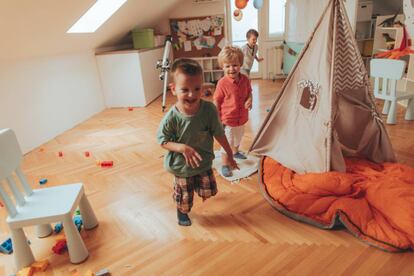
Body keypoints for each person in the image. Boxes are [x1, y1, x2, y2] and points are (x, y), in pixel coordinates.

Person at [157, 58, 238, 227]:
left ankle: (192, 189)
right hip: (181, 166)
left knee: (207, 190)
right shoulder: (172, 117)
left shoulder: (209, 110)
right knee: (185, 196)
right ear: (173, 89)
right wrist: (182, 148)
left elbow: (219, 134)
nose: (192, 95)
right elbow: (162, 141)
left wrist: (230, 154)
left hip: (203, 161)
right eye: (184, 89)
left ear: (203, 87)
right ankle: (182, 211)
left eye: (197, 88)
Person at [214, 46, 252, 177]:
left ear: (240, 64)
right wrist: (216, 118)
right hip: (228, 119)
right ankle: (225, 164)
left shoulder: (245, 79)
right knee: (228, 142)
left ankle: (235, 152)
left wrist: (249, 100)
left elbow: (249, 93)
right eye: (228, 66)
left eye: (235, 65)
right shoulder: (222, 83)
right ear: (222, 67)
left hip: (241, 117)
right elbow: (217, 101)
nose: (232, 69)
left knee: (238, 137)